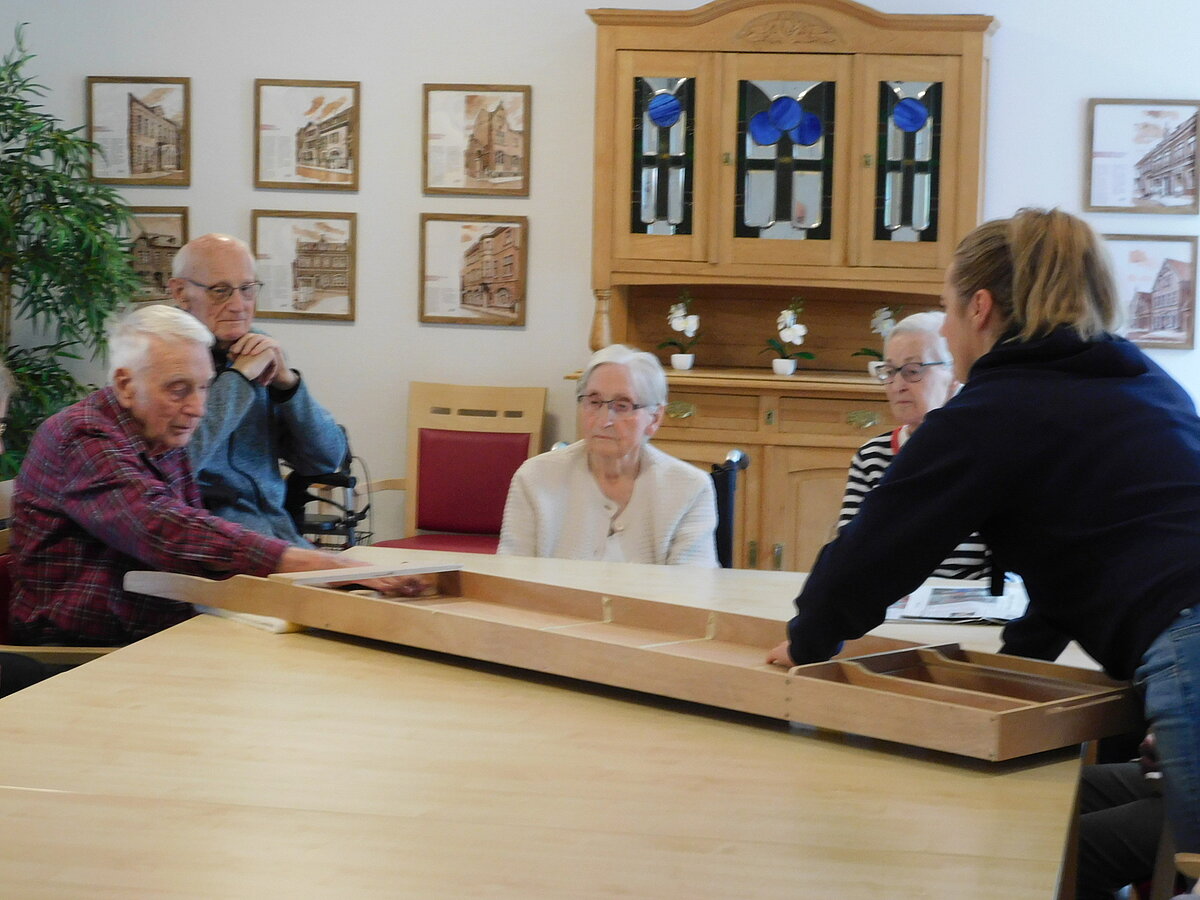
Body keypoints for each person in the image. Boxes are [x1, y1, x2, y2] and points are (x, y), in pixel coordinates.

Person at [766, 208, 1200, 854]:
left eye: (945, 307)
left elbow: (878, 548)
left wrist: (806, 643)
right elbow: (1077, 563)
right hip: (1181, 645)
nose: (943, 326)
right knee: (1068, 848)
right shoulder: (1141, 381)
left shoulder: (993, 411)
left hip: (1188, 650)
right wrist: (1013, 674)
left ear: (980, 309)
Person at [9, 306, 416, 647]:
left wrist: (328, 572)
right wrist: (326, 565)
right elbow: (171, 533)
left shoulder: (158, 433)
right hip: (83, 649)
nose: (198, 408)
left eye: (204, 387)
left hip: (159, 626)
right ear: (125, 385)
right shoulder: (81, 437)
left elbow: (326, 457)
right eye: (179, 389)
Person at [170, 233, 347, 545]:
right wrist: (238, 380)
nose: (238, 306)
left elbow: (324, 460)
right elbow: (175, 464)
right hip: (207, 542)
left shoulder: (259, 348)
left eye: (247, 289)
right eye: (220, 291)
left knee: (382, 589)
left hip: (276, 532)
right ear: (181, 293)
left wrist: (288, 385)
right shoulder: (164, 357)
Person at [499, 344, 718, 566]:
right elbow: (508, 581)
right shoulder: (535, 478)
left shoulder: (690, 488)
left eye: (622, 406)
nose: (604, 421)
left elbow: (693, 589)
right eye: (594, 402)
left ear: (654, 418)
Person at [842, 311, 990, 580]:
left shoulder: (986, 454)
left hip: (969, 612)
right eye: (889, 371)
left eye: (913, 371)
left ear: (955, 375)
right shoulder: (871, 457)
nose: (897, 385)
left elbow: (1002, 568)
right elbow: (848, 556)